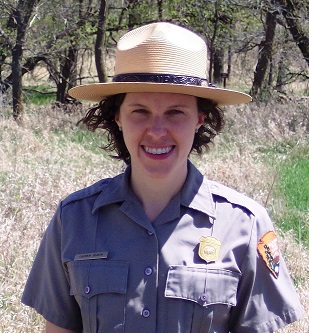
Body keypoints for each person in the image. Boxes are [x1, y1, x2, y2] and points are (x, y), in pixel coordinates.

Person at [22, 22, 304, 333]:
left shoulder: (245, 224)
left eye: (175, 112)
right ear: (117, 117)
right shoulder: (74, 219)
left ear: (200, 118)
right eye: (139, 111)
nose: (157, 131)